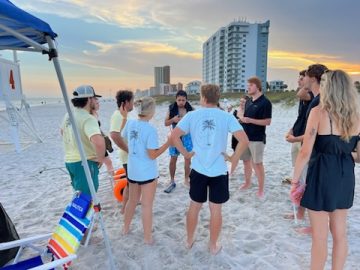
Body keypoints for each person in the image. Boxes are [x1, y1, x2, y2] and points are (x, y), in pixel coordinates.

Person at [290, 70, 360, 270]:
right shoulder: (356, 116)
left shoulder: (318, 112)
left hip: (321, 173)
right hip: (345, 175)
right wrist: (343, 154)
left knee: (319, 237)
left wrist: (295, 181)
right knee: (340, 233)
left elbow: (305, 152)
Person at [171, 84, 249, 255]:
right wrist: (233, 158)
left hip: (198, 168)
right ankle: (213, 245)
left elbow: (174, 136)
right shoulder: (226, 117)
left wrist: (185, 154)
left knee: (195, 206)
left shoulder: (192, 115)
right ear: (217, 98)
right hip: (219, 169)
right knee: (216, 209)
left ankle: (189, 240)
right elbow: (244, 140)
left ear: (203, 98)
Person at [121, 97, 170, 244]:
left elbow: (124, 138)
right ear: (151, 111)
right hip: (147, 172)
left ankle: (125, 228)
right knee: (147, 205)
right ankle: (148, 238)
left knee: (132, 201)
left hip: (133, 170)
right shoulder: (150, 130)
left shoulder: (130, 123)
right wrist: (169, 142)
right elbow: (152, 155)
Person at [61, 85, 105, 196]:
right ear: (89, 99)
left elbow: (62, 132)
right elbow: (99, 142)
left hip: (70, 161)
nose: (96, 101)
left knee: (79, 195)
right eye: (95, 98)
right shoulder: (88, 118)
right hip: (85, 163)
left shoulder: (68, 115)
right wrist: (100, 159)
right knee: (86, 199)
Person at [283, 70, 314, 220]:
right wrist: (291, 131)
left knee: (305, 180)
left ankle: (303, 213)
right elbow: (300, 118)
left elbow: (299, 93)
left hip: (304, 142)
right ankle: (300, 213)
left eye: (302, 79)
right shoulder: (304, 99)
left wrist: (296, 139)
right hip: (297, 140)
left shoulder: (312, 97)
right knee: (300, 178)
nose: (299, 81)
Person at [236, 77, 272, 198]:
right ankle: (247, 183)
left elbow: (268, 122)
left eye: (251, 85)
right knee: (246, 162)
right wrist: (241, 116)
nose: (248, 87)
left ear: (257, 86)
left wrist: (250, 120)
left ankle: (261, 189)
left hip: (257, 138)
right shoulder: (249, 101)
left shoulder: (265, 102)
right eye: (248, 85)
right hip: (245, 137)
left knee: (257, 164)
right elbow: (242, 116)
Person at [109, 90, 134, 214]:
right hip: (127, 156)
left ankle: (130, 203)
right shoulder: (118, 115)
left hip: (129, 155)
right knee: (131, 184)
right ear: (126, 102)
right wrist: (129, 150)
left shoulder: (123, 115)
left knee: (132, 183)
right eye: (132, 101)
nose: (133, 103)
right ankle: (124, 208)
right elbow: (114, 135)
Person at [164, 90, 194, 193]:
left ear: (186, 100)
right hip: (175, 137)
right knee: (173, 159)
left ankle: (186, 179)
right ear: (176, 100)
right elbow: (165, 123)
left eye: (183, 100)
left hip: (187, 137)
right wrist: (173, 120)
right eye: (179, 100)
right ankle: (172, 180)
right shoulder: (171, 108)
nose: (181, 102)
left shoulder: (191, 110)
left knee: (188, 159)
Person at [90, 97, 114, 174]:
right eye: (97, 103)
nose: (99, 105)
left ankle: (113, 181)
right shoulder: (90, 116)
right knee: (107, 162)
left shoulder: (95, 114)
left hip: (100, 141)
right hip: (96, 142)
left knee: (108, 162)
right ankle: (113, 182)